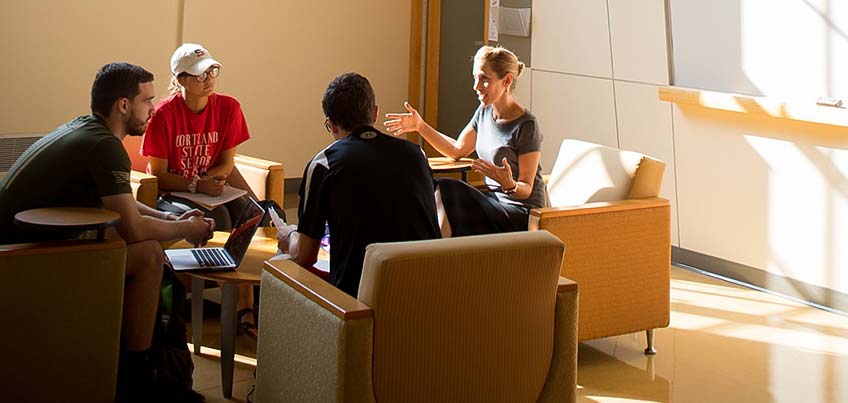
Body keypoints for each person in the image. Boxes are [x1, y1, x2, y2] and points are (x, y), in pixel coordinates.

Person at [0, 62, 213, 401]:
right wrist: (188, 227)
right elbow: (132, 227)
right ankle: (138, 378)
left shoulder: (87, 130)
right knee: (148, 256)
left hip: (20, 251)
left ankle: (132, 362)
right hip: (20, 263)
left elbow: (121, 204)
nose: (154, 109)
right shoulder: (105, 147)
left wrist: (168, 218)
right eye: (147, 101)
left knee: (133, 244)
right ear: (123, 105)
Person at [278, 72, 441, 297]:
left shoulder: (324, 163)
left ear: (331, 124)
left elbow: (305, 256)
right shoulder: (417, 155)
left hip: (357, 300)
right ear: (374, 113)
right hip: (426, 292)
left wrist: (289, 237)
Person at [142, 43, 258, 335]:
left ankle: (244, 302)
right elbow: (158, 175)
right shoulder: (163, 115)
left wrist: (212, 181)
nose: (208, 79)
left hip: (211, 186)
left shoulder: (229, 107)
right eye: (199, 75)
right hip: (175, 193)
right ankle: (237, 306)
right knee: (218, 221)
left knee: (250, 215)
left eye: (211, 71)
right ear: (181, 80)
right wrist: (197, 185)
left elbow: (227, 163)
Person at [384, 46, 547, 237]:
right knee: (436, 188)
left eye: (484, 79)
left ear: (507, 81)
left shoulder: (526, 125)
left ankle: (437, 253)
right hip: (493, 201)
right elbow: (456, 150)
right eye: (475, 77)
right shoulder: (484, 112)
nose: (476, 86)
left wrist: (508, 183)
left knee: (448, 189)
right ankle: (431, 249)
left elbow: (526, 189)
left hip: (521, 212)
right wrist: (420, 126)